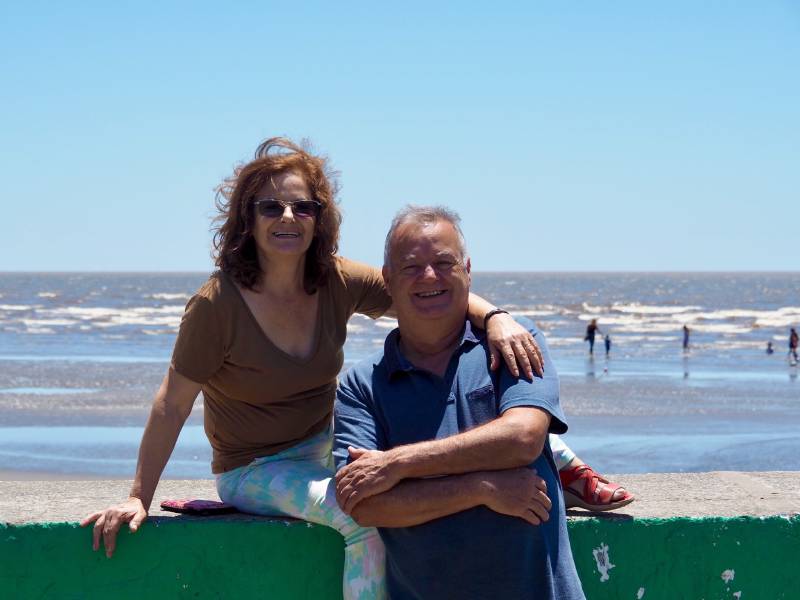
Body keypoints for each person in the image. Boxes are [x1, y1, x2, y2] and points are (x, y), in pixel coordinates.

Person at [79, 138, 550, 599]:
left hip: (327, 445)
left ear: (319, 217)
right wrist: (139, 496)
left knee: (487, 423)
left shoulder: (334, 278)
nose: (288, 217)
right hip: (256, 468)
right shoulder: (216, 305)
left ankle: (567, 475)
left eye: (303, 207)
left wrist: (496, 318)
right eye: (271, 207)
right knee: (360, 516)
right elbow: (172, 403)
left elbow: (425, 292)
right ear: (247, 218)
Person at [334, 206, 585, 599]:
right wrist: (481, 488)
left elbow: (522, 438)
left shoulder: (515, 343)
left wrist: (396, 464)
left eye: (443, 262)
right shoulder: (361, 385)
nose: (429, 276)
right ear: (388, 280)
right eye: (411, 266)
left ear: (467, 270)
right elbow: (365, 505)